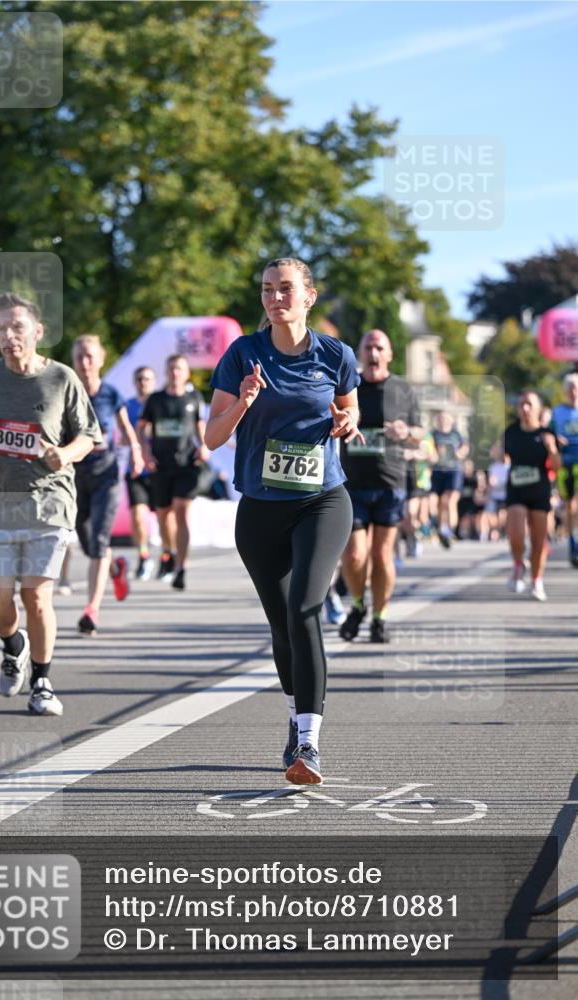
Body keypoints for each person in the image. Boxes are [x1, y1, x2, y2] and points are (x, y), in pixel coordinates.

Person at [206, 257, 362, 785]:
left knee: (305, 610)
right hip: (261, 508)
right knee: (282, 626)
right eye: (268, 289)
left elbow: (350, 410)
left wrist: (347, 421)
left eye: (286, 289)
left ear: (309, 297)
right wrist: (244, 403)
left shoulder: (335, 355)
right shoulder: (242, 355)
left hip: (322, 500)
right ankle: (296, 721)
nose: (276, 297)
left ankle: (311, 743)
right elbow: (212, 437)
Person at [0, 292, 101, 715]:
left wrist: (67, 452)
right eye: (1, 329)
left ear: (38, 332)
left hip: (49, 502)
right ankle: (13, 644)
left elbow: (89, 434)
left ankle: (42, 681)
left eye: (17, 328)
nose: (8, 336)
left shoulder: (60, 379)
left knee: (36, 596)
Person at [339, 329, 423, 644]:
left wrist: (406, 431)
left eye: (379, 348)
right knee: (355, 555)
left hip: (390, 482)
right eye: (368, 347)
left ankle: (380, 617)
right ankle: (359, 605)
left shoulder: (402, 388)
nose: (373, 353)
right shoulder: (349, 385)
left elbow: (419, 432)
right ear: (360, 353)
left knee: (382, 554)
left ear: (389, 354)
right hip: (353, 482)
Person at [71, 335, 144, 635]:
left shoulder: (111, 394)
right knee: (87, 542)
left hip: (107, 475)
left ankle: (91, 610)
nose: (85, 363)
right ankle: (116, 569)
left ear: (101, 359)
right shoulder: (68, 393)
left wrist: (137, 452)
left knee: (100, 541)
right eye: (79, 358)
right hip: (76, 476)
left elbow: (126, 429)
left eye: (90, 356)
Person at [138, 354, 209, 590]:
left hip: (186, 464)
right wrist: (145, 453)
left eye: (179, 368)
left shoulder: (193, 398)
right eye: (171, 369)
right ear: (166, 373)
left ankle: (181, 567)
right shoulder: (155, 399)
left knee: (181, 511)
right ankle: (168, 551)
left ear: (187, 372)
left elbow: (200, 427)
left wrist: (205, 447)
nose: (175, 373)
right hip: (160, 465)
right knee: (162, 514)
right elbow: (141, 428)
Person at [504, 390, 560, 601]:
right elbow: (500, 455)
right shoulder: (511, 432)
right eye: (521, 405)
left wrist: (552, 448)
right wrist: (496, 452)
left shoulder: (547, 433)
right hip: (516, 490)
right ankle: (518, 564)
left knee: (538, 541)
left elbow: (556, 466)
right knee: (516, 534)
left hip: (539, 492)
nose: (524, 408)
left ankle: (537, 580)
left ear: (538, 408)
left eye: (528, 404)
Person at [125, 366, 164, 580]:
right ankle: (143, 556)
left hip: (159, 468)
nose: (143, 382)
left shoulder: (161, 404)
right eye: (140, 378)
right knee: (138, 516)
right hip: (136, 469)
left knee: (164, 518)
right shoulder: (128, 406)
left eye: (148, 379)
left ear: (154, 381)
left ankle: (168, 557)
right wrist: (133, 441)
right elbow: (121, 436)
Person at [430, 410, 469, 549]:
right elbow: (429, 448)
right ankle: (442, 529)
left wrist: (460, 453)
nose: (443, 421)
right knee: (440, 503)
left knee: (450, 501)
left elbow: (465, 447)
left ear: (451, 421)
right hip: (438, 471)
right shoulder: (433, 435)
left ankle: (450, 532)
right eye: (441, 418)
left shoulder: (456, 434)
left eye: (446, 418)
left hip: (454, 471)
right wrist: (433, 454)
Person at [551, 373, 578, 567]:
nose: (573, 391)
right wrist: (555, 440)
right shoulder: (557, 412)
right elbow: (547, 433)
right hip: (564, 463)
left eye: (576, 387)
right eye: (570, 388)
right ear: (565, 391)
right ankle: (573, 543)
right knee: (568, 507)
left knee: (576, 503)